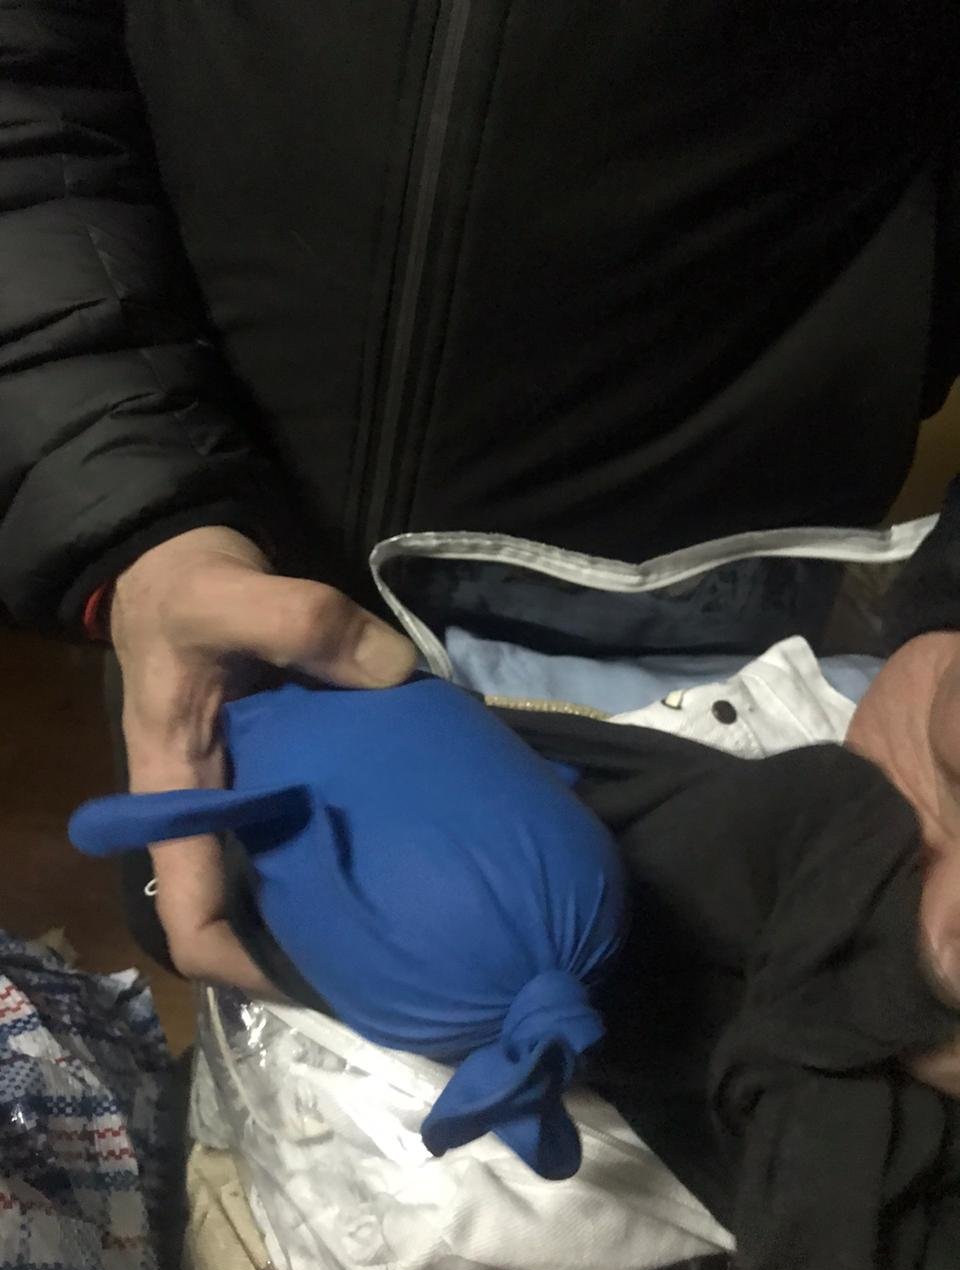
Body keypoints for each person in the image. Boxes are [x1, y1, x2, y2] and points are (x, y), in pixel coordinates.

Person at [1, 1, 959, 1028]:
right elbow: (27, 77)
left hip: (718, 602)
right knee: (242, 951)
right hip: (204, 539)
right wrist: (135, 511)